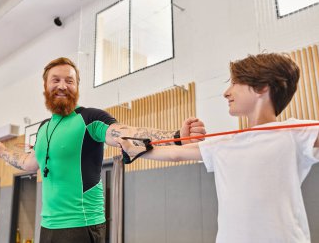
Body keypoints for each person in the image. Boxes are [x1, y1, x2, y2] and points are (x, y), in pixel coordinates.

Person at [0, 57, 205, 243]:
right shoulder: (44, 128)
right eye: (56, 80)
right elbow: (29, 163)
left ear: (77, 87)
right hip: (47, 225)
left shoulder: (90, 118)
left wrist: (177, 137)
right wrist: (2, 151)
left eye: (69, 81)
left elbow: (124, 132)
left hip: (82, 226)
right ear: (45, 86)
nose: (62, 85)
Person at [118, 53, 319, 243]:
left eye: (234, 83)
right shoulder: (224, 143)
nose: (226, 93)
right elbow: (175, 154)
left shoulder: (295, 133)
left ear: (262, 87)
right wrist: (133, 148)